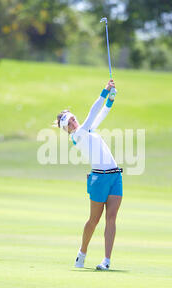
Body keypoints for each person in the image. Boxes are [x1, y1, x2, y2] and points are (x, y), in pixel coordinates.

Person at [55, 79, 122, 270]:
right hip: (99, 178)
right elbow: (93, 113)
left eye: (73, 118)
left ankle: (106, 261)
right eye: (69, 123)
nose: (73, 122)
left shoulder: (88, 130)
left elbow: (101, 113)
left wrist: (111, 99)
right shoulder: (77, 136)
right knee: (94, 220)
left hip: (115, 176)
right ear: (66, 129)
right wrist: (105, 90)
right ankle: (81, 254)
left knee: (111, 219)